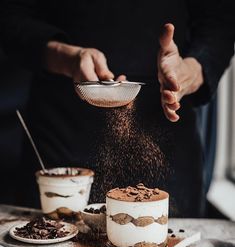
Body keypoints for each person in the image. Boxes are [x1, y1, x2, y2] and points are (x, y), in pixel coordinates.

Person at [0, 0, 234, 217]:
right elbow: (10, 17)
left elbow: (219, 26)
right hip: (62, 133)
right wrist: (66, 57)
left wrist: (185, 72)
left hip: (167, 134)